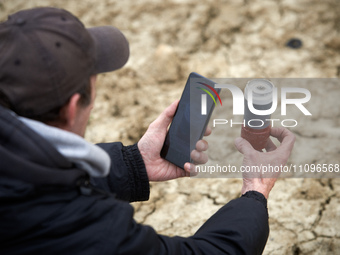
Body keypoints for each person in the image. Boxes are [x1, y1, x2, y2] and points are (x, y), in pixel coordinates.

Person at [0, 7, 295, 255]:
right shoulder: (87, 228)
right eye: (94, 77)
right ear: (73, 107)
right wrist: (255, 191)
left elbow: (28, 181)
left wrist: (133, 163)